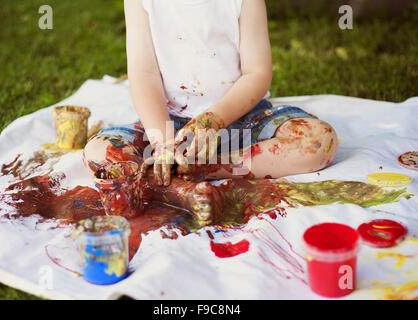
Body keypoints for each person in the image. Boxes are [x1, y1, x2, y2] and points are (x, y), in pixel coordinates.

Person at [82, 0, 338, 225]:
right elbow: (144, 74)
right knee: (97, 153)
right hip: (171, 125)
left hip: (243, 120)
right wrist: (163, 145)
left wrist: (212, 120)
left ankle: (203, 169)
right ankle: (178, 186)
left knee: (319, 141)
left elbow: (257, 73)